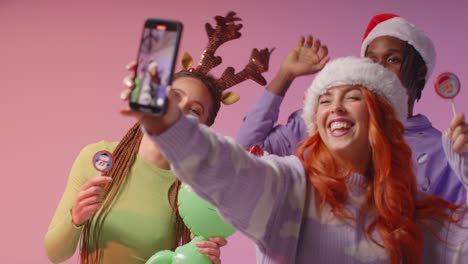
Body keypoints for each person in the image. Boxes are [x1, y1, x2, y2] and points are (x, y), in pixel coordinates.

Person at [123, 56, 468, 263]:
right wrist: (169, 123)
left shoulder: (414, 213)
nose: (335, 107)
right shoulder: (291, 187)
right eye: (324, 100)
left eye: (352, 98)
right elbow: (229, 170)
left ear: (380, 118)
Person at [44, 11, 272, 264]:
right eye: (175, 97)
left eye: (195, 111)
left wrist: (205, 258)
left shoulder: (193, 190)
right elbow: (55, 253)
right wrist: (76, 218)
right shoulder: (97, 157)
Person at [236, 13, 468, 204]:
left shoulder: (445, 151)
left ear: (419, 72)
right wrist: (285, 75)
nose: (379, 69)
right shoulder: (327, 122)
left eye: (392, 60)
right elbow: (246, 153)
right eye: (371, 60)